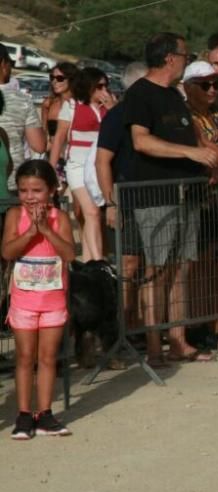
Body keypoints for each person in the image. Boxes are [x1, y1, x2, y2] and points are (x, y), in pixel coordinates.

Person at [123, 32, 218, 367]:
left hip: (187, 194)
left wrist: (206, 159)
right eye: (185, 53)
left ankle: (178, 341)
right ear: (169, 58)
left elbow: (190, 136)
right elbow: (141, 141)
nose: (187, 58)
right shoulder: (139, 94)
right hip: (156, 196)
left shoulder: (176, 95)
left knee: (182, 270)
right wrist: (190, 152)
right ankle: (154, 346)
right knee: (157, 271)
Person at [2, 160, 76, 438]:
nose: (30, 197)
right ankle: (23, 415)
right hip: (24, 299)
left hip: (53, 299)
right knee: (24, 356)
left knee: (47, 358)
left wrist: (45, 229)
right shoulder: (14, 216)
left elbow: (69, 254)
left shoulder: (61, 218)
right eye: (23, 190)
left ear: (52, 190)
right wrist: (31, 231)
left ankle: (44, 413)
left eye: (37, 190)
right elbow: (8, 252)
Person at [96, 61, 147, 335]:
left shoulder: (151, 111)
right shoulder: (116, 117)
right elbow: (102, 161)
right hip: (125, 197)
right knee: (128, 263)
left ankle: (140, 325)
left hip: (152, 197)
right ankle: (122, 327)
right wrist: (111, 203)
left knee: (148, 265)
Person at [48, 66, 115, 261]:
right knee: (92, 212)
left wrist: (112, 109)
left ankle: (88, 261)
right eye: (99, 86)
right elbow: (59, 138)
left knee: (92, 216)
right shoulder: (72, 106)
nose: (104, 91)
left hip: (99, 166)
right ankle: (98, 261)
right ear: (89, 86)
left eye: (106, 86)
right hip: (77, 165)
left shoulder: (108, 107)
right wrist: (51, 168)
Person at [0, 49, 47, 191]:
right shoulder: (23, 100)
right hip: (11, 179)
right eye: (11, 63)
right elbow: (39, 146)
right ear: (3, 63)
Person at [40, 62, 78, 150]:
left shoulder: (79, 105)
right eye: (52, 77)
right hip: (51, 153)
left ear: (72, 80)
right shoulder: (48, 103)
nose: (54, 81)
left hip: (73, 154)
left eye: (60, 78)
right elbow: (44, 133)